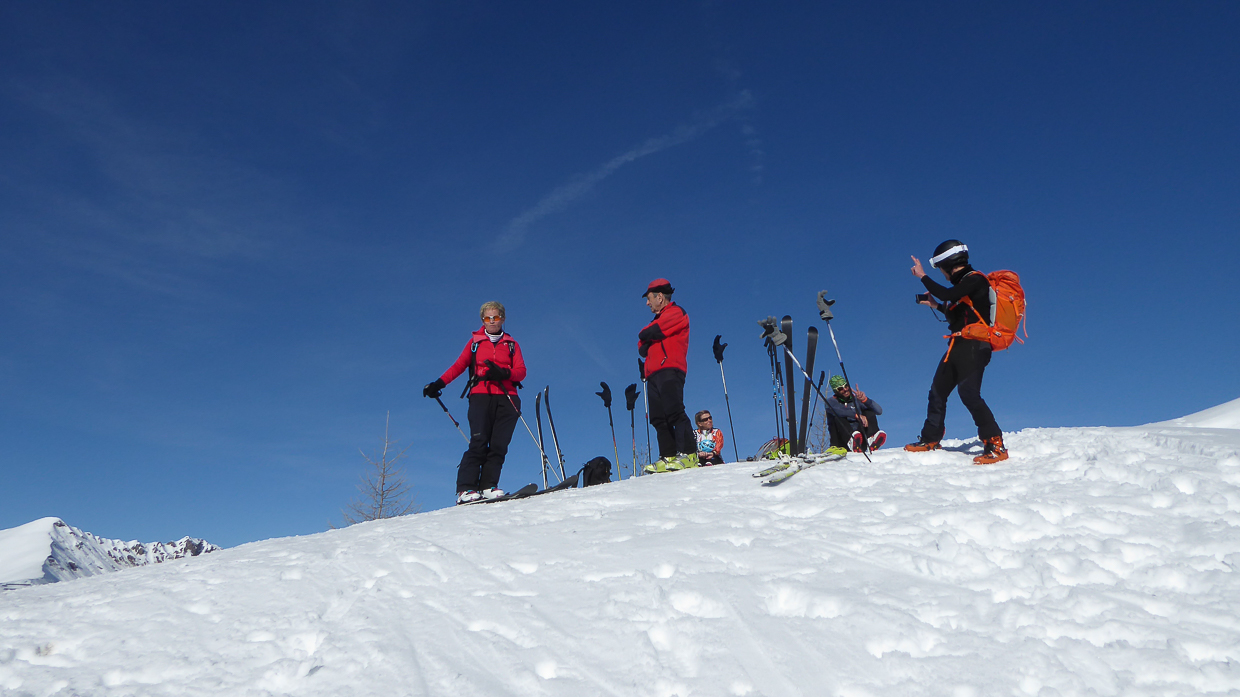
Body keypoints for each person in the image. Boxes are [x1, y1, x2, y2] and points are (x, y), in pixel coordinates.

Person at [906, 240, 1008, 464]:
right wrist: (934, 305)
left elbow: (948, 294)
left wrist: (923, 276)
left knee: (968, 393)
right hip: (957, 345)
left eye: (940, 268)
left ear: (947, 264)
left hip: (976, 346)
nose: (942, 274)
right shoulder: (963, 288)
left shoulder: (975, 279)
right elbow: (955, 313)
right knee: (937, 392)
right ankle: (930, 438)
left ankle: (995, 443)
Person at [423, 301, 528, 503]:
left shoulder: (512, 345)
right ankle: (466, 489)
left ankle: (488, 486)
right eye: (488, 318)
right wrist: (438, 384)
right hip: (481, 396)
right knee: (479, 441)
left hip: (507, 397)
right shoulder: (475, 343)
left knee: (499, 444)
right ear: (483, 320)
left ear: (503, 319)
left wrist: (505, 373)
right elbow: (458, 366)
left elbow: (521, 371)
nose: (492, 321)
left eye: (496, 317)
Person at [637, 278, 696, 473]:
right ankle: (668, 455)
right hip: (653, 373)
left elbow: (653, 331)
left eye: (649, 298)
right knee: (658, 417)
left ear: (660, 297)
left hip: (670, 368)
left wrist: (651, 334)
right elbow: (641, 346)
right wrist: (650, 335)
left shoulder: (677, 312)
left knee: (674, 411)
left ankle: (689, 454)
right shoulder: (656, 320)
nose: (647, 303)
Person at [823, 375, 886, 453]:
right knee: (838, 417)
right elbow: (840, 411)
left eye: (846, 386)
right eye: (840, 389)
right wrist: (856, 415)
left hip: (860, 439)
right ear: (835, 391)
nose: (845, 389)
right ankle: (851, 440)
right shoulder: (831, 402)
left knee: (868, 412)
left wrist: (865, 400)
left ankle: (871, 439)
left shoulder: (856, 400)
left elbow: (879, 411)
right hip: (842, 442)